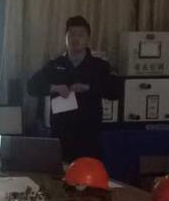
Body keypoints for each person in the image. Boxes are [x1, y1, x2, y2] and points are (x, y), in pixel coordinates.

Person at [27, 15, 120, 162]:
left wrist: (88, 88)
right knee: (59, 173)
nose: (75, 39)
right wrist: (54, 87)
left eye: (80, 35)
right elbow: (31, 86)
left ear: (88, 38)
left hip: (89, 136)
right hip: (61, 134)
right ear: (65, 37)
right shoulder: (55, 65)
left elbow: (116, 91)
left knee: (87, 174)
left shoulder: (99, 66)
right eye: (71, 34)